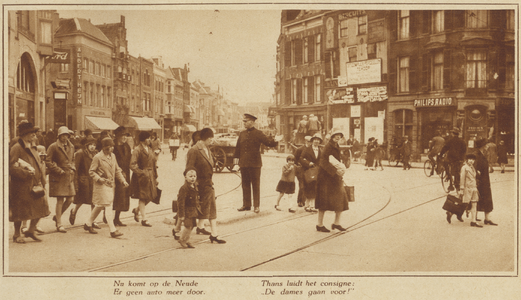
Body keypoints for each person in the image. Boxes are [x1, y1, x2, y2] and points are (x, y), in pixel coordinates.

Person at [10, 122, 51, 243]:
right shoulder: (16, 148)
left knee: (41, 207)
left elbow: (38, 164)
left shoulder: (33, 147)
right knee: (20, 211)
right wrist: (25, 173)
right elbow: (11, 166)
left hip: (35, 184)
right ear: (25, 135)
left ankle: (31, 230)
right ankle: (17, 234)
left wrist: (42, 177)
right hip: (21, 185)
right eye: (32, 134)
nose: (34, 136)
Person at [185, 128, 226, 244]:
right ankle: (179, 232)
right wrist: (192, 186)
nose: (212, 141)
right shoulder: (194, 150)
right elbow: (189, 169)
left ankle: (214, 234)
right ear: (207, 139)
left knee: (212, 209)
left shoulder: (207, 149)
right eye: (211, 139)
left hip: (208, 185)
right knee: (196, 211)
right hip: (199, 186)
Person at [234, 113, 279, 213]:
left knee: (255, 185)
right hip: (244, 164)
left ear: (253, 122)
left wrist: (276, 140)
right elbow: (238, 149)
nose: (244, 123)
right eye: (244, 122)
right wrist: (236, 163)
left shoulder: (259, 133)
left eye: (246, 122)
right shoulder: (242, 134)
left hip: (255, 164)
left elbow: (268, 143)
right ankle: (246, 205)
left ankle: (256, 206)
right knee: (245, 184)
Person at [85, 137, 129, 237]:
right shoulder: (97, 157)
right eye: (110, 147)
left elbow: (117, 170)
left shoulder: (113, 156)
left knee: (100, 205)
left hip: (110, 185)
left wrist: (123, 181)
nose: (112, 149)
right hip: (101, 185)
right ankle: (113, 230)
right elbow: (91, 171)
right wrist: (99, 179)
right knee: (108, 206)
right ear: (105, 148)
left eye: (112, 147)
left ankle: (88, 223)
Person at [315, 128, 349, 232]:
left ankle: (336, 223)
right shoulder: (328, 146)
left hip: (334, 177)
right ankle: (319, 224)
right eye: (336, 135)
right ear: (332, 136)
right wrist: (335, 171)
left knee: (341, 199)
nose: (338, 137)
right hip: (325, 178)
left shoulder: (336, 145)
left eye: (339, 135)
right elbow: (323, 162)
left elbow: (336, 160)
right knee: (323, 201)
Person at [46, 126, 76, 233]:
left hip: (68, 176)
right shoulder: (53, 147)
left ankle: (57, 216)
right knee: (60, 200)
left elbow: (73, 159)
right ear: (59, 136)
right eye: (63, 135)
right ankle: (59, 223)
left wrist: (72, 167)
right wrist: (58, 170)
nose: (65, 138)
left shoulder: (71, 146)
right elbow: (48, 161)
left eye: (66, 135)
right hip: (58, 176)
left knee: (70, 199)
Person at [130, 131, 158, 227]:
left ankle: (137, 210)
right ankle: (144, 219)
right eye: (148, 138)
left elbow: (154, 164)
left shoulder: (150, 149)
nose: (150, 140)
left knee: (152, 196)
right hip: (141, 178)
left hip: (151, 176)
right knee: (143, 197)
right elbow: (132, 165)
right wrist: (142, 173)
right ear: (143, 140)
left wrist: (155, 177)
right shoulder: (137, 150)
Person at [69, 137, 99, 227]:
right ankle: (74, 212)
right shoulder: (80, 153)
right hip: (83, 180)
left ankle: (93, 220)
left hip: (93, 180)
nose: (92, 147)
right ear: (86, 145)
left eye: (94, 145)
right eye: (90, 145)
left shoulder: (96, 154)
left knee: (94, 201)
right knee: (81, 200)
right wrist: (76, 182)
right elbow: (76, 168)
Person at [474, 137, 498, 226]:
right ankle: (452, 211)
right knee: (473, 200)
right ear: (483, 146)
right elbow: (475, 168)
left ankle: (487, 219)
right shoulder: (477, 155)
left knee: (486, 199)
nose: (487, 146)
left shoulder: (482, 154)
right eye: (486, 145)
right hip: (480, 182)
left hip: (484, 181)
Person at [113, 126, 132, 226]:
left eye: (125, 136)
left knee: (122, 196)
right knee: (113, 196)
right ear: (117, 136)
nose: (124, 138)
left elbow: (129, 160)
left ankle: (117, 218)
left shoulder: (127, 147)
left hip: (126, 174)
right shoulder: (113, 147)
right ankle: (106, 215)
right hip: (115, 174)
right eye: (122, 135)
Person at [177, 169, 201, 248]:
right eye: (190, 176)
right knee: (188, 226)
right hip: (187, 211)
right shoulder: (184, 188)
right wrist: (181, 215)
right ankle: (182, 239)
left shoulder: (194, 186)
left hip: (193, 210)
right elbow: (181, 203)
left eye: (194, 176)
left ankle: (187, 240)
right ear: (185, 177)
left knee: (192, 225)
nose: (193, 178)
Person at [300, 134, 322, 212]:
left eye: (318, 140)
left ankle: (309, 205)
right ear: (312, 141)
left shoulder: (320, 150)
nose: (316, 141)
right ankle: (309, 205)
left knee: (314, 188)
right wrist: (308, 163)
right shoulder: (307, 149)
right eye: (315, 139)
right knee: (308, 188)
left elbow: (321, 160)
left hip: (316, 172)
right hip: (308, 171)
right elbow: (301, 158)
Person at [458, 153, 481, 227]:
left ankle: (473, 221)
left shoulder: (473, 168)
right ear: (467, 160)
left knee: (474, 204)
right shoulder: (464, 168)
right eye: (470, 159)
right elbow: (462, 178)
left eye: (473, 160)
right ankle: (451, 212)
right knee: (464, 204)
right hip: (467, 188)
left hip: (474, 188)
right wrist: (461, 189)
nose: (471, 161)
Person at [294, 136, 312, 208]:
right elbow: (294, 159)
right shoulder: (300, 149)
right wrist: (298, 165)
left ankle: (304, 201)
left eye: (310, 141)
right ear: (305, 141)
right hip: (301, 169)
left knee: (307, 185)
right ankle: (300, 201)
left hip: (308, 170)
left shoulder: (311, 149)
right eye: (308, 141)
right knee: (302, 186)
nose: (309, 143)